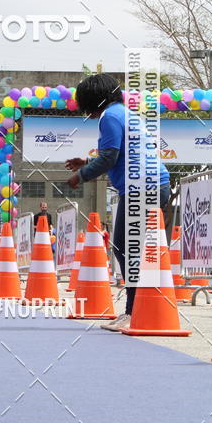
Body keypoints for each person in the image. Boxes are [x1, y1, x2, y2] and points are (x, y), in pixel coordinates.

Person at [65, 73, 170, 332]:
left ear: (92, 101)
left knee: (126, 248)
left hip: (141, 188)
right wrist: (87, 163)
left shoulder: (109, 116)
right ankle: (142, 308)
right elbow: (120, 154)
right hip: (155, 184)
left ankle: (134, 312)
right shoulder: (123, 113)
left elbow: (110, 157)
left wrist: (81, 175)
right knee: (134, 249)